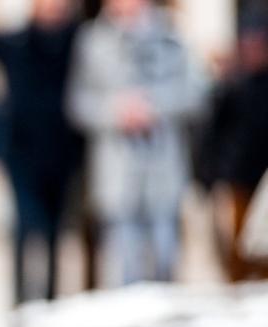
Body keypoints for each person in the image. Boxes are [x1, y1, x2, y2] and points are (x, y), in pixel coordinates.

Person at [67, 0, 207, 286]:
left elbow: (196, 93)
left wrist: (154, 106)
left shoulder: (171, 33)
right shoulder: (94, 40)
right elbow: (78, 104)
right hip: (118, 173)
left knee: (165, 258)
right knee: (122, 267)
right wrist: (116, 112)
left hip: (162, 171)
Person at [0, 0, 86, 304]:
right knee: (24, 231)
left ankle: (50, 301)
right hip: (22, 154)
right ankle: (21, 302)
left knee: (56, 234)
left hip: (63, 153)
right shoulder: (14, 42)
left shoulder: (77, 41)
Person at [197, 11, 268, 281]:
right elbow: (214, 132)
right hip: (238, 175)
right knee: (240, 245)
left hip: (261, 172)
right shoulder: (233, 86)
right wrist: (210, 173)